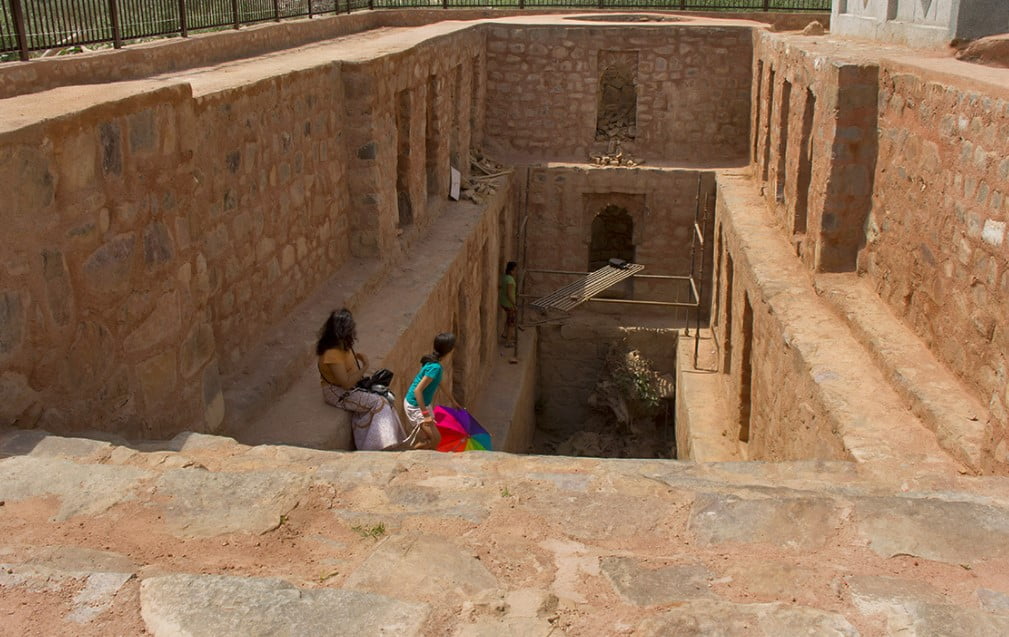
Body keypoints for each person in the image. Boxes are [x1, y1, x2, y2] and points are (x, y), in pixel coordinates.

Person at [317, 309, 407, 451]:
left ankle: (386, 441)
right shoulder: (332, 353)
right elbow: (345, 383)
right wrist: (364, 367)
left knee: (385, 397)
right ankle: (378, 445)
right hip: (337, 393)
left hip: (350, 387)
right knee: (379, 402)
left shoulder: (342, 344)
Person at [403, 333, 458, 450]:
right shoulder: (435, 368)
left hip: (422, 404)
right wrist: (425, 415)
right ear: (449, 350)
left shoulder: (435, 364)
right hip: (415, 405)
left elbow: (441, 383)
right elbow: (418, 391)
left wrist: (453, 401)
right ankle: (412, 453)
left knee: (433, 438)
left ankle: (419, 450)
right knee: (435, 439)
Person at [499, 261, 518, 345]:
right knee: (511, 323)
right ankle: (508, 342)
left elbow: (500, 286)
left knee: (509, 319)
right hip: (508, 304)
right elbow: (509, 294)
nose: (516, 272)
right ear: (511, 271)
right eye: (515, 270)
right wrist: (514, 305)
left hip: (503, 302)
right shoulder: (510, 280)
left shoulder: (505, 277)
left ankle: (505, 334)